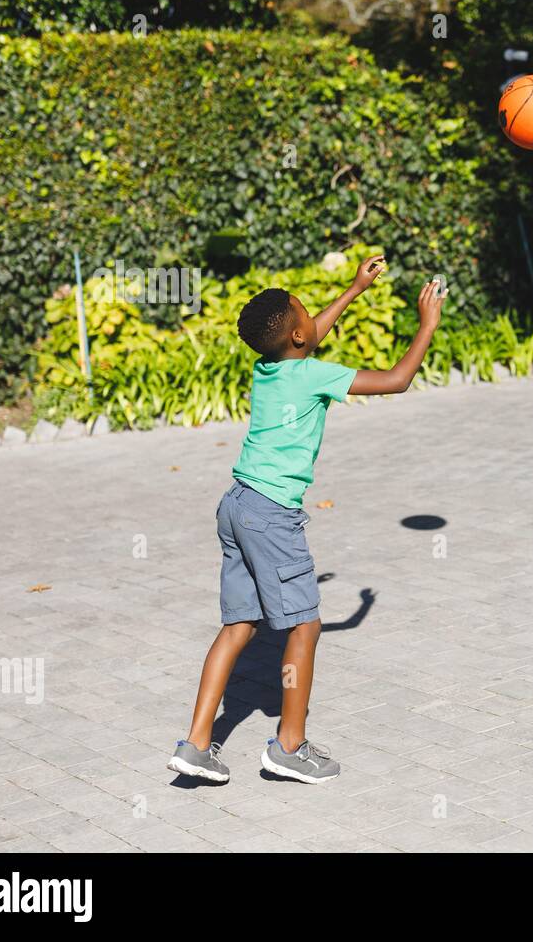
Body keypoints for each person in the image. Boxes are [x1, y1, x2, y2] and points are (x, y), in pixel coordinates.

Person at [167, 255, 444, 783]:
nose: (314, 320)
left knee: (238, 626)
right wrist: (426, 324)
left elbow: (308, 331)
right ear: (298, 334)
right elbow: (398, 379)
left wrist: (356, 288)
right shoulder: (314, 374)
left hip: (237, 504)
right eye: (305, 315)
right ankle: (288, 747)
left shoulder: (268, 367)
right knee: (305, 625)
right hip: (271, 514)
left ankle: (196, 743)